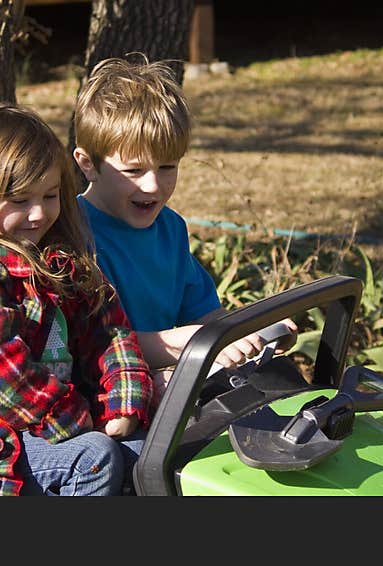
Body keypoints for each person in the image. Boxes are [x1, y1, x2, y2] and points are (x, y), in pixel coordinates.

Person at [0, 104, 153, 496]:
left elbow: (109, 330)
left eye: (50, 195)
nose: (39, 214)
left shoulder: (56, 255)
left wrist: (124, 400)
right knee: (95, 459)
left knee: (147, 451)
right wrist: (79, 419)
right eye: (20, 200)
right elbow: (4, 375)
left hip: (54, 423)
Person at [72, 55, 297, 399]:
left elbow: (206, 314)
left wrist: (249, 331)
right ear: (88, 165)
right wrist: (186, 343)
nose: (152, 186)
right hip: (103, 391)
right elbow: (91, 346)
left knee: (282, 388)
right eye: (133, 171)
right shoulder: (72, 235)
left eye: (167, 167)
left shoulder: (170, 228)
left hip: (163, 376)